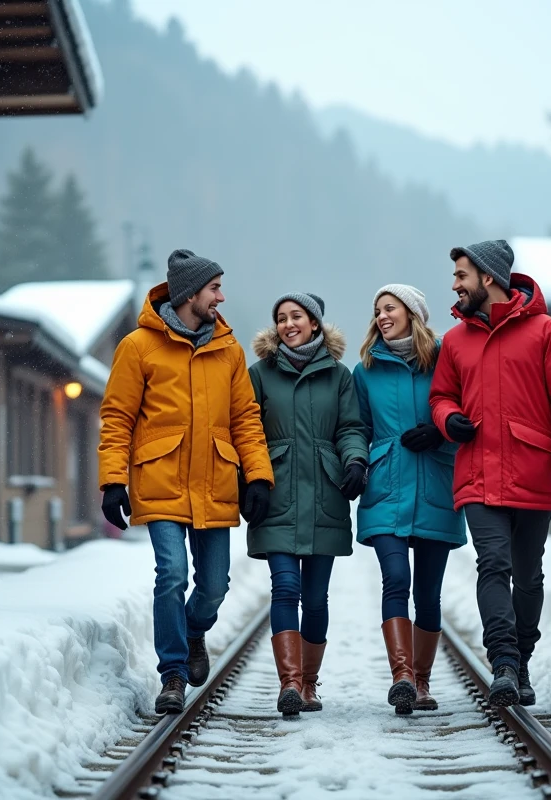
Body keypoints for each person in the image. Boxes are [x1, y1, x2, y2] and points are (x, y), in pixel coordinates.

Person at [98, 249, 274, 715]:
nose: (221, 297)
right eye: (214, 288)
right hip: (161, 480)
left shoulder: (229, 350)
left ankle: (193, 631)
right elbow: (117, 418)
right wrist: (113, 481)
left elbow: (246, 419)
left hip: (215, 482)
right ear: (189, 294)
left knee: (214, 587)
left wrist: (258, 475)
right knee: (171, 574)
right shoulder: (138, 347)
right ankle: (172, 674)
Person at [430, 239, 551, 708]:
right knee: (492, 564)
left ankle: (522, 661)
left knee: (528, 576)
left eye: (461, 276)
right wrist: (448, 418)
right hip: (478, 472)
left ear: (488, 277)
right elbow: (441, 396)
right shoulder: (454, 341)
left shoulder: (546, 331)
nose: (454, 285)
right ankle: (503, 662)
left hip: (534, 471)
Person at [247, 292, 368, 716]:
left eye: (296, 316)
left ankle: (310, 682)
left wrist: (355, 460)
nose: (288, 324)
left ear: (314, 323)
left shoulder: (338, 375)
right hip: (275, 494)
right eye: (281, 318)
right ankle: (290, 684)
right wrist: (250, 480)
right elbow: (246, 429)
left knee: (315, 599)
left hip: (324, 496)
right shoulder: (259, 374)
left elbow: (350, 427)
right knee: (285, 588)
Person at [352, 285, 467, 715]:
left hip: (437, 482)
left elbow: (466, 419)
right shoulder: (365, 370)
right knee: (396, 577)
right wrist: (356, 462)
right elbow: (358, 428)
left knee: (429, 593)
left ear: (413, 314)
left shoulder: (445, 360)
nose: (382, 316)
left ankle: (421, 681)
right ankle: (401, 676)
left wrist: (440, 434)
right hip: (386, 486)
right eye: (377, 310)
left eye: (390, 308)